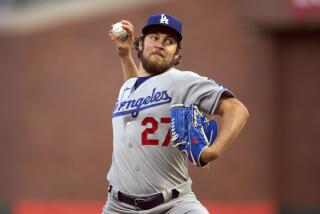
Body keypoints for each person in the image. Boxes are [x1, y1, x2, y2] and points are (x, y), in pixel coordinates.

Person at [103, 13, 249, 214]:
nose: (160, 44)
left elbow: (236, 109)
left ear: (177, 54)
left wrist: (213, 151)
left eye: (169, 41)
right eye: (154, 37)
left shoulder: (184, 81)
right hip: (118, 206)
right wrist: (124, 56)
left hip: (173, 204)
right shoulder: (128, 88)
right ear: (140, 44)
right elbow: (138, 95)